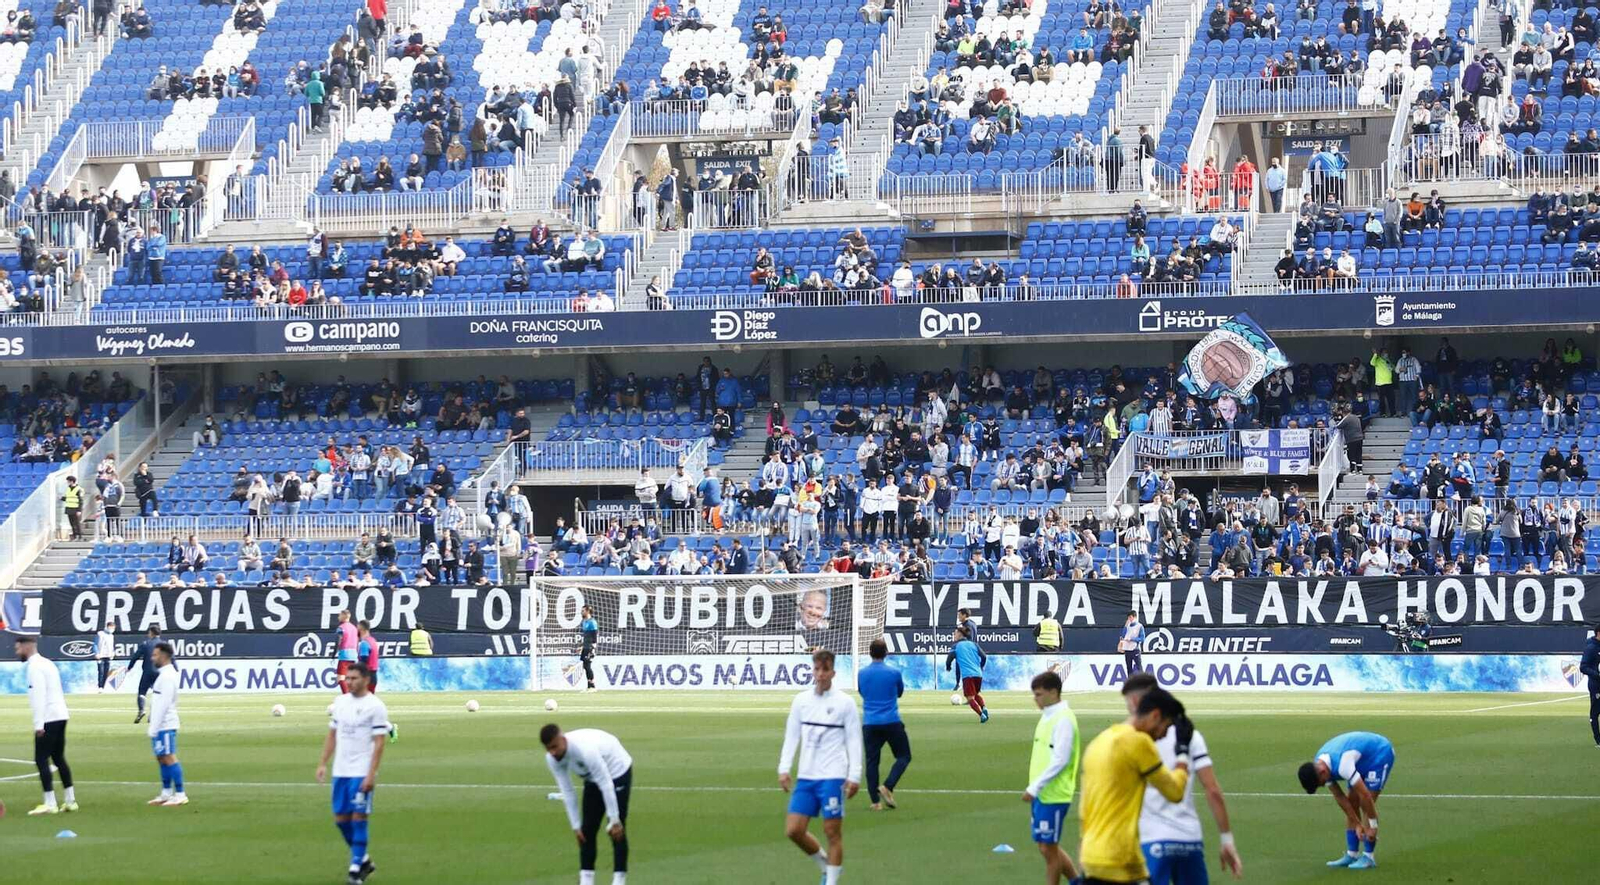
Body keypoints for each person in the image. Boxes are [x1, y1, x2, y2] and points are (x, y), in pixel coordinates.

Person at [1123, 672, 1244, 883]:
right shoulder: (1189, 734)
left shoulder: (1129, 738)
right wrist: (1227, 839)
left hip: (1151, 840)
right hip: (1189, 839)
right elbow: (1212, 789)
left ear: (1135, 701)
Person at [1077, 686, 1193, 885]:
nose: (1164, 735)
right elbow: (1174, 792)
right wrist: (1182, 752)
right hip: (1121, 858)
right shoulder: (1138, 742)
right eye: (1167, 725)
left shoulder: (1099, 741)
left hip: (1091, 856)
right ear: (1155, 715)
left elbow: (1085, 809)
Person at [778, 649, 862, 885]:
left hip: (833, 776)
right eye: (817, 669)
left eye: (825, 670)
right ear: (812, 670)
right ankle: (826, 866)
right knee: (794, 830)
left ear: (833, 672)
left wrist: (854, 775)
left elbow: (854, 740)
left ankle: (831, 881)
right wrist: (784, 768)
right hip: (807, 776)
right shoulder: (801, 701)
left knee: (832, 832)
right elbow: (792, 735)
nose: (821, 674)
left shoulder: (845, 703)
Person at [317, 663, 388, 885]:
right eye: (348, 678)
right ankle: (364, 859)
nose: (349, 682)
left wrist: (371, 774)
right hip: (341, 770)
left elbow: (379, 744)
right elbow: (332, 734)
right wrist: (323, 763)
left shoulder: (376, 706)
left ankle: (355, 868)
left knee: (359, 818)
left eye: (354, 678)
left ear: (366, 680)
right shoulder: (340, 703)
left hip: (361, 770)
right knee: (341, 819)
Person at [543, 723, 634, 885]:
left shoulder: (585, 751)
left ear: (563, 739)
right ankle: (586, 880)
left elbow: (606, 784)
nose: (553, 752)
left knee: (617, 830)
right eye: (548, 748)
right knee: (586, 831)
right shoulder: (552, 759)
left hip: (617, 769)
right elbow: (568, 791)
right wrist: (575, 826)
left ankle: (619, 881)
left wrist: (614, 819)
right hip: (592, 777)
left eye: (555, 747)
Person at [1296, 731, 1395, 870]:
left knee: (1365, 802)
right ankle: (1352, 854)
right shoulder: (1321, 764)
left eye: (1320, 783)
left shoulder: (1343, 765)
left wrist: (1372, 826)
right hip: (1360, 759)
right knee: (1351, 800)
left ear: (1322, 773)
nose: (1323, 785)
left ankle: (1368, 856)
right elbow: (1340, 797)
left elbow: (1366, 796)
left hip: (1379, 754)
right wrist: (1357, 824)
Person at [1025, 670, 1082, 885]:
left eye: (1039, 694)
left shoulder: (1064, 720)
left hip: (1055, 794)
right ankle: (1077, 881)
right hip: (1043, 793)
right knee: (1046, 846)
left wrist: (1034, 787)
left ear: (1053, 692)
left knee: (1049, 849)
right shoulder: (1048, 716)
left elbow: (1061, 759)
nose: (1035, 699)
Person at [18, 633, 76, 815]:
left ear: (27, 646)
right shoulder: (48, 663)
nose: (17, 651)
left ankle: (50, 803)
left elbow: (38, 696)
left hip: (48, 717)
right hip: (61, 714)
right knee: (59, 758)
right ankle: (70, 800)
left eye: (18, 647)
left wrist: (38, 724)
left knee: (41, 758)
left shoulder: (34, 667)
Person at [857, 638, 911, 812]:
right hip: (891, 721)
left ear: (869, 653)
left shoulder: (862, 673)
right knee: (904, 756)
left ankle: (875, 802)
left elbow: (862, 692)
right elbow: (900, 693)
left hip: (870, 723)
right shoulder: (894, 673)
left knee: (872, 762)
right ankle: (888, 786)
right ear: (886, 653)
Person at [144, 640, 188, 806]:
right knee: (161, 757)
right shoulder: (164, 675)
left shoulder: (167, 677)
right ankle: (166, 793)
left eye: (155, 655)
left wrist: (153, 727)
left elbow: (163, 704)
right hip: (160, 724)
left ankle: (180, 793)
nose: (152, 658)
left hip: (165, 724)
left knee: (169, 757)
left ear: (163, 655)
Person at [946, 624, 988, 722]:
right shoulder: (974, 644)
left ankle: (981, 715)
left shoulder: (956, 646)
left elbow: (949, 658)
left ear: (960, 635)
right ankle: (984, 708)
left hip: (967, 675)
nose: (954, 635)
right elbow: (984, 656)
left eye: (955, 633)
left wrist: (948, 666)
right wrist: (981, 666)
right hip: (978, 674)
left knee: (970, 698)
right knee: (976, 694)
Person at [129, 625, 162, 723]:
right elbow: (171, 657)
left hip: (147, 672)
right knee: (158, 694)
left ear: (151, 632)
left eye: (149, 632)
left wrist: (130, 667)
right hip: (159, 673)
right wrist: (175, 668)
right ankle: (153, 714)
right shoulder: (164, 645)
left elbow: (135, 656)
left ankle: (141, 710)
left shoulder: (145, 644)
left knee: (142, 692)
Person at [1581, 625, 1600, 747]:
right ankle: (1598, 739)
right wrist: (1598, 675)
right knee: (1596, 711)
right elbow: (1583, 667)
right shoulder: (1591, 648)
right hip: (1596, 685)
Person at [333, 609, 359, 693]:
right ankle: (353, 695)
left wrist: (333, 654)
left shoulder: (341, 628)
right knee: (349, 679)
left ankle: (347, 697)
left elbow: (338, 641)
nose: (338, 617)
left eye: (339, 615)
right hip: (354, 655)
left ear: (344, 616)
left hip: (345, 655)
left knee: (340, 678)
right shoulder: (354, 628)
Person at [579, 605, 599, 692]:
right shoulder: (584, 622)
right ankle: (589, 686)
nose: (581, 612)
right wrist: (582, 646)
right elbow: (586, 636)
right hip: (585, 646)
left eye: (583, 611)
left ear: (587, 611)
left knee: (588, 665)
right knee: (585, 666)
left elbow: (594, 635)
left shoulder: (592, 622)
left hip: (590, 646)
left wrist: (593, 647)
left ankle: (592, 686)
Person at [94, 619, 115, 692]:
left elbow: (112, 646)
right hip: (100, 656)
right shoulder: (100, 633)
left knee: (106, 673)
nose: (112, 629)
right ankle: (100, 687)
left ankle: (103, 686)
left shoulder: (112, 636)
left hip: (108, 656)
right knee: (101, 671)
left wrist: (112, 653)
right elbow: (95, 644)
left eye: (113, 627)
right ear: (107, 626)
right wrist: (96, 653)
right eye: (110, 627)